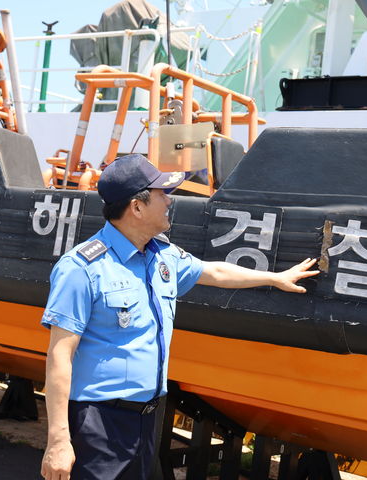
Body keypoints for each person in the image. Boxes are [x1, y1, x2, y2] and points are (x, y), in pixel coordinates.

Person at [40, 153, 319, 480]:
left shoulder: (162, 256)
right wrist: (59, 439)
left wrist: (274, 278)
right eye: (161, 194)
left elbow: (214, 272)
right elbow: (60, 355)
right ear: (137, 207)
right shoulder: (82, 268)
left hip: (147, 419)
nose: (169, 201)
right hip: (100, 420)